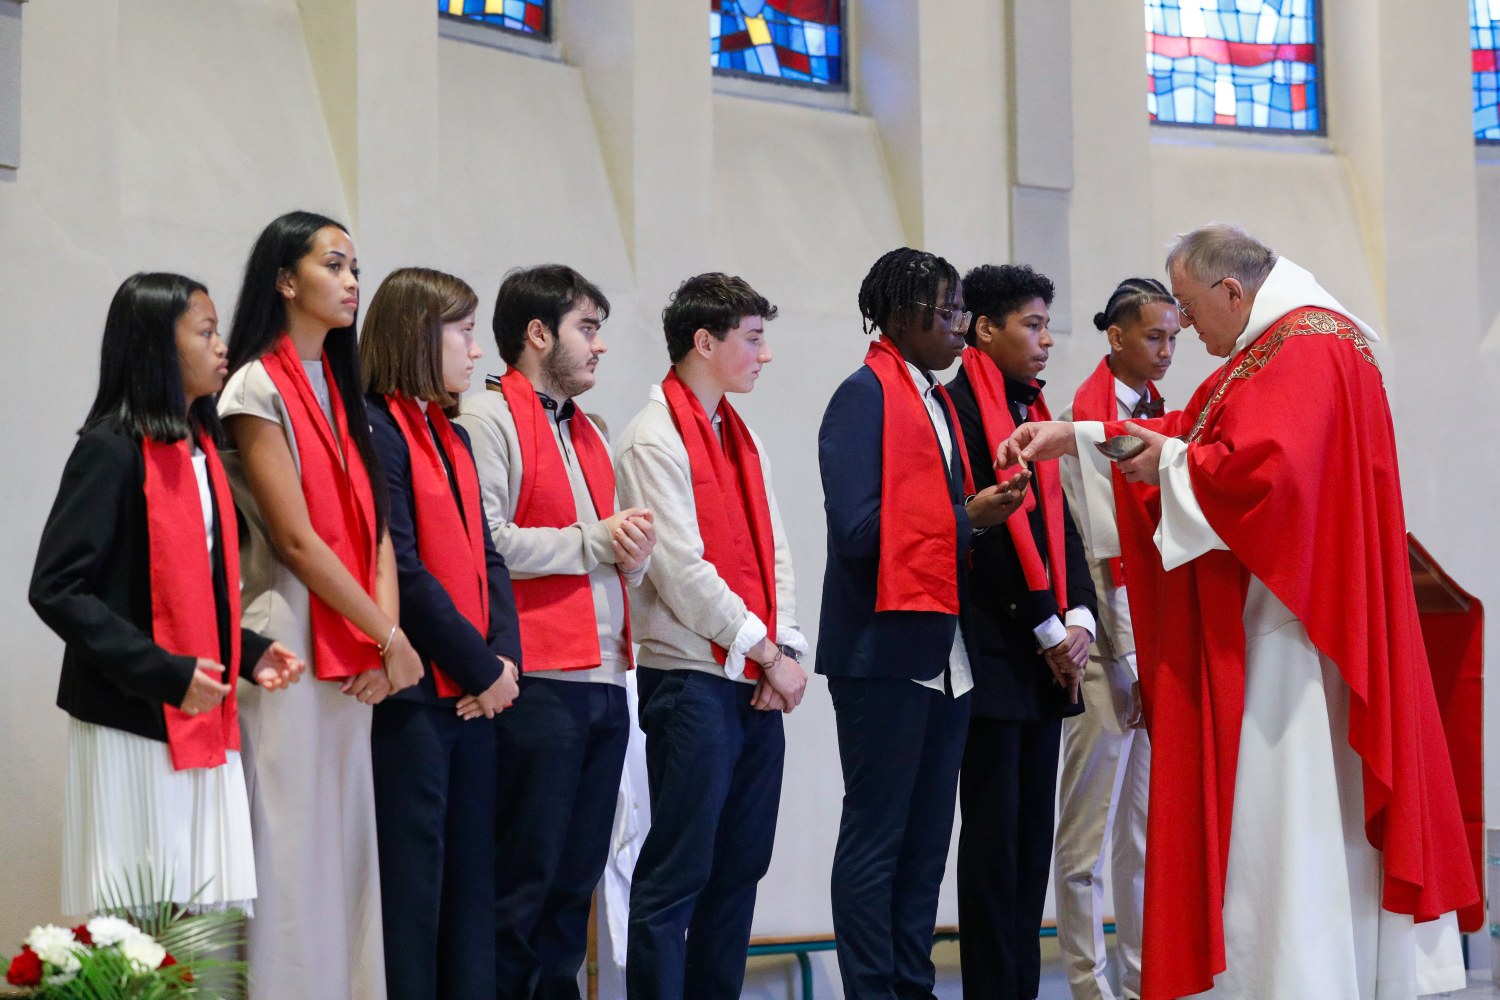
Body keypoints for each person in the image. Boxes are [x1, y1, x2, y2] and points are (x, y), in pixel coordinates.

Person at [998, 223, 1476, 1000]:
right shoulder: (1281, 346)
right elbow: (1198, 436)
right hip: (1293, 618)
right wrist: (1076, 437)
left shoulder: (1306, 347)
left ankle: (1301, 977)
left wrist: (1168, 461)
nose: (1186, 328)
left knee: (1291, 815)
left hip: (1297, 633)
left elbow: (1267, 476)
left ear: (1231, 289)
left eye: (1189, 308)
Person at [31, 272, 303, 918]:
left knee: (190, 922)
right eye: (205, 333)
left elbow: (190, 592)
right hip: (132, 715)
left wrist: (247, 651)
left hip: (195, 709)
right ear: (156, 346)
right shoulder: (111, 450)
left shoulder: (201, 448)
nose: (222, 346)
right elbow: (58, 588)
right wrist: (164, 672)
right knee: (138, 919)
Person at [218, 211, 423, 1000]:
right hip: (287, 636)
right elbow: (297, 541)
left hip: (354, 643)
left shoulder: (343, 391)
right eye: (332, 265)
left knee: (344, 850)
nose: (350, 281)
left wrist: (383, 638)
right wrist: (388, 637)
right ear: (283, 279)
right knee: (290, 850)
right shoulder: (254, 385)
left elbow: (377, 533)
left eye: (355, 268)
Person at [816, 248, 1019, 1000]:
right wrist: (967, 517)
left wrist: (978, 516)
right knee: (878, 840)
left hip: (946, 649)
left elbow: (933, 523)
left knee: (927, 846)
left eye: (963, 311)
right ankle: (873, 989)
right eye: (948, 312)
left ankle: (912, 985)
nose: (961, 327)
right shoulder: (862, 396)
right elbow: (858, 531)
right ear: (902, 315)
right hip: (883, 650)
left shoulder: (935, 400)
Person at [455, 264, 652, 1000]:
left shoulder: (590, 430)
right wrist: (597, 540)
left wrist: (632, 554)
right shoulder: (489, 417)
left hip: (605, 676)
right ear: (538, 333)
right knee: (524, 884)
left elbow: (602, 549)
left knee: (575, 885)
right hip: (537, 675)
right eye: (586, 329)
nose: (600, 346)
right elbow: (487, 542)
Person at [614, 272, 808, 1000]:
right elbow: (680, 569)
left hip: (753, 677)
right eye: (752, 339)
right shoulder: (653, 437)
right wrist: (766, 652)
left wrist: (784, 648)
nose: (765, 355)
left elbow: (773, 550)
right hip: (692, 679)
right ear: (704, 341)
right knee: (679, 874)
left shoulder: (739, 434)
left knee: (739, 870)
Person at [361, 267, 524, 1000]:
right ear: (417, 335)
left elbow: (488, 556)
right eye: (463, 332)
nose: (475, 350)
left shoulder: (450, 433)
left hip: (476, 699)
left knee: (470, 898)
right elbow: (402, 566)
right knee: (415, 900)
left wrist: (504, 662)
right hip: (417, 703)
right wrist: (479, 668)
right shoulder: (378, 429)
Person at [943, 263, 1097, 1000]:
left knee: (1032, 844)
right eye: (1032, 326)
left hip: (1045, 653)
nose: (1046, 340)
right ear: (984, 328)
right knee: (994, 849)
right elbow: (990, 529)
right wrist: (1046, 629)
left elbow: (1060, 523)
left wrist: (1081, 617)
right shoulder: (957, 409)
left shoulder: (1031, 407)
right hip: (996, 651)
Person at [1052, 277, 1178, 1000]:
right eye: (1153, 336)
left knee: (1141, 836)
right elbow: (1098, 550)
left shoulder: (1163, 417)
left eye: (1173, 337)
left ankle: (1139, 983)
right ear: (1117, 335)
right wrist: (1126, 659)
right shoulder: (1081, 422)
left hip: (1154, 647)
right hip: (1106, 650)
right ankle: (1087, 986)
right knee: (1085, 839)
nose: (1166, 351)